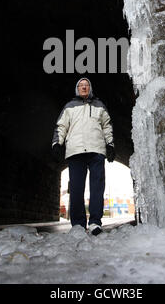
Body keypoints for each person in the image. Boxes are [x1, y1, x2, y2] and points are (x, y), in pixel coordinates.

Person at [52, 78, 115, 235]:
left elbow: (107, 126)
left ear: (90, 88)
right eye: (81, 85)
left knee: (97, 188)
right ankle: (78, 224)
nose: (84, 87)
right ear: (77, 88)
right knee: (76, 189)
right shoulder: (69, 107)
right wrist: (57, 144)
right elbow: (61, 126)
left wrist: (110, 145)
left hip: (96, 150)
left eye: (86, 85)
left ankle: (95, 222)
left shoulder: (99, 106)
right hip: (76, 151)